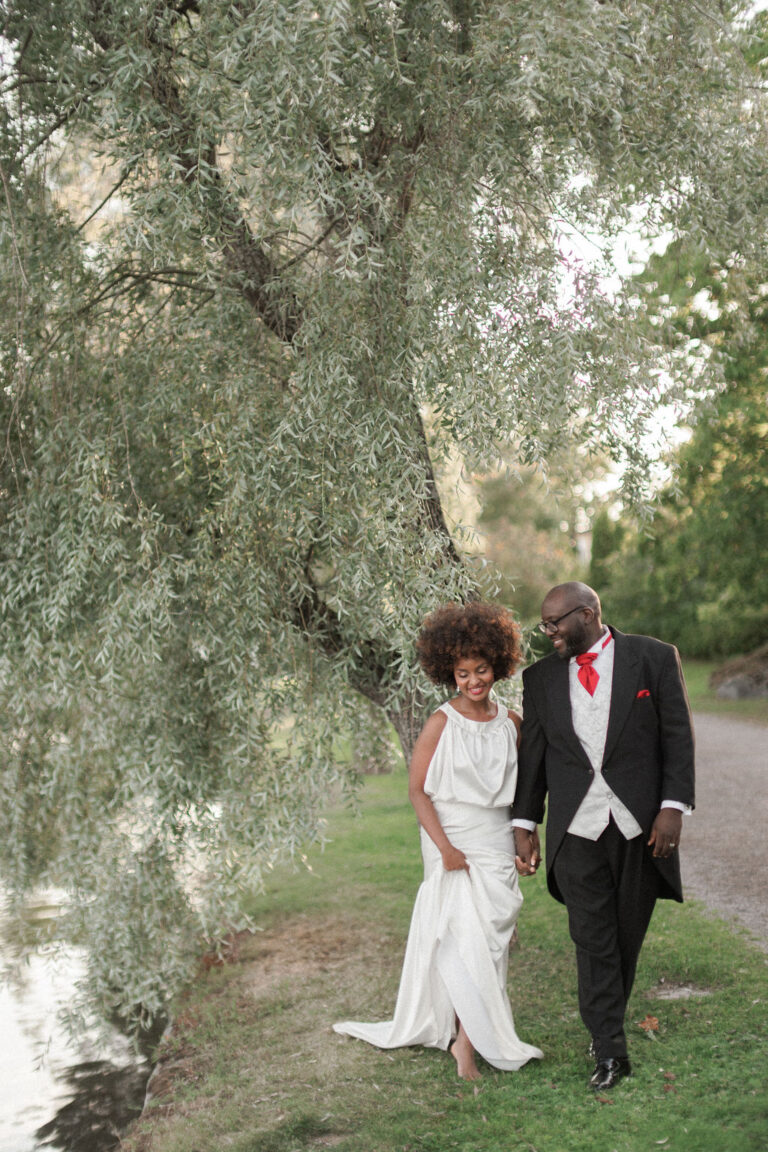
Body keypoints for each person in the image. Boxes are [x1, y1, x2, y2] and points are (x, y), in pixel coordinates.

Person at [334, 602, 543, 1080]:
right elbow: (416, 790)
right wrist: (446, 848)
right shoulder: (441, 722)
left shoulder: (512, 722)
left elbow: (522, 791)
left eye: (482, 669)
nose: (473, 681)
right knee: (460, 938)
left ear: (499, 665)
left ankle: (466, 1033)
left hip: (493, 837)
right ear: (449, 673)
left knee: (491, 940)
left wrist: (524, 839)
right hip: (449, 836)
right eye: (463, 672)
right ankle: (464, 1045)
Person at [512, 582, 695, 1091]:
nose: (547, 633)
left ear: (588, 614)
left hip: (641, 826)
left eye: (555, 623)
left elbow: (677, 735)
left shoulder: (653, 658)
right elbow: (535, 756)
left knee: (624, 937)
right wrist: (524, 823)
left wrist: (672, 807)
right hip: (577, 827)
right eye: (543, 625)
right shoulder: (540, 678)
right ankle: (611, 1051)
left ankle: (604, 1026)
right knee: (592, 939)